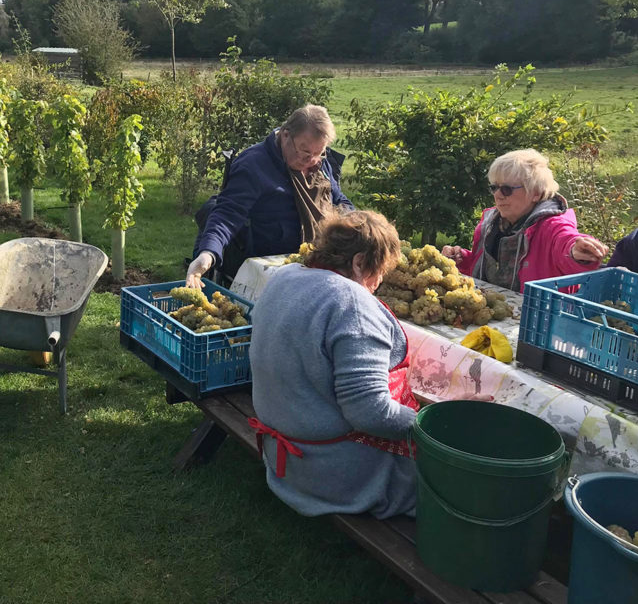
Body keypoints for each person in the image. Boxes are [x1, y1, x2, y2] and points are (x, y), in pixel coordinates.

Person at [248, 211, 417, 519]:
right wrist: (431, 424)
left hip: (283, 457)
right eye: (379, 271)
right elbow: (371, 414)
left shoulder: (284, 276)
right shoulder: (352, 303)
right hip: (332, 473)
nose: (378, 282)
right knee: (454, 472)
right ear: (358, 262)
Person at [187, 104, 354, 286]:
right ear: (285, 135)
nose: (312, 161)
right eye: (305, 152)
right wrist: (208, 253)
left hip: (320, 264)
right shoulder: (254, 165)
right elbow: (227, 214)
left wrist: (359, 225)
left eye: (319, 153)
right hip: (270, 274)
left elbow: (339, 201)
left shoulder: (320, 165)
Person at [441, 149, 607, 292]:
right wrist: (462, 259)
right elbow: (490, 271)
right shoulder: (490, 224)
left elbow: (566, 240)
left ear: (536, 192)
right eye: (494, 187)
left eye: (507, 189)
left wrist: (577, 252)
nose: (498, 195)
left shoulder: (551, 225)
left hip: (537, 323)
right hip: (493, 320)